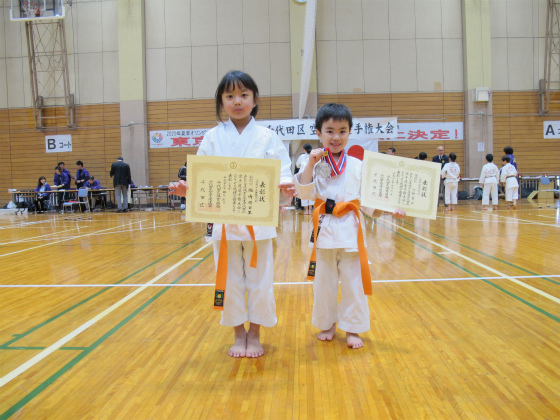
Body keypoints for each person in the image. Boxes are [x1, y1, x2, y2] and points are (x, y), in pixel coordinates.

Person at [168, 70, 295, 358]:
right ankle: (239, 332)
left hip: (258, 224)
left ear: (255, 100)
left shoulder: (268, 137)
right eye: (229, 96)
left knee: (260, 280)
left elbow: (283, 174)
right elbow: (201, 178)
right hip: (224, 224)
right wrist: (187, 190)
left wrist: (287, 186)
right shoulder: (212, 137)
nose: (237, 101)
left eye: (243, 95)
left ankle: (255, 333)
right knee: (229, 280)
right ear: (221, 102)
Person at [294, 103, 406, 349]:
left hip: (351, 231)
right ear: (319, 133)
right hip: (324, 230)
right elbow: (303, 192)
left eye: (342, 131)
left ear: (349, 132)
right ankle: (327, 324)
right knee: (323, 283)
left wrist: (391, 209)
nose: (336, 137)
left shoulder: (357, 165)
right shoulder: (314, 163)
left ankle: (353, 328)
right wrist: (311, 163)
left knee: (354, 283)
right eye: (330, 131)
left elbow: (370, 200)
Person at [296, 144, 313, 214]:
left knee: (304, 192)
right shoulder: (313, 156)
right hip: (312, 175)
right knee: (311, 192)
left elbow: (297, 165)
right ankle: (310, 210)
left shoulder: (302, 156)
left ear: (305, 150)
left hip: (303, 175)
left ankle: (306, 210)